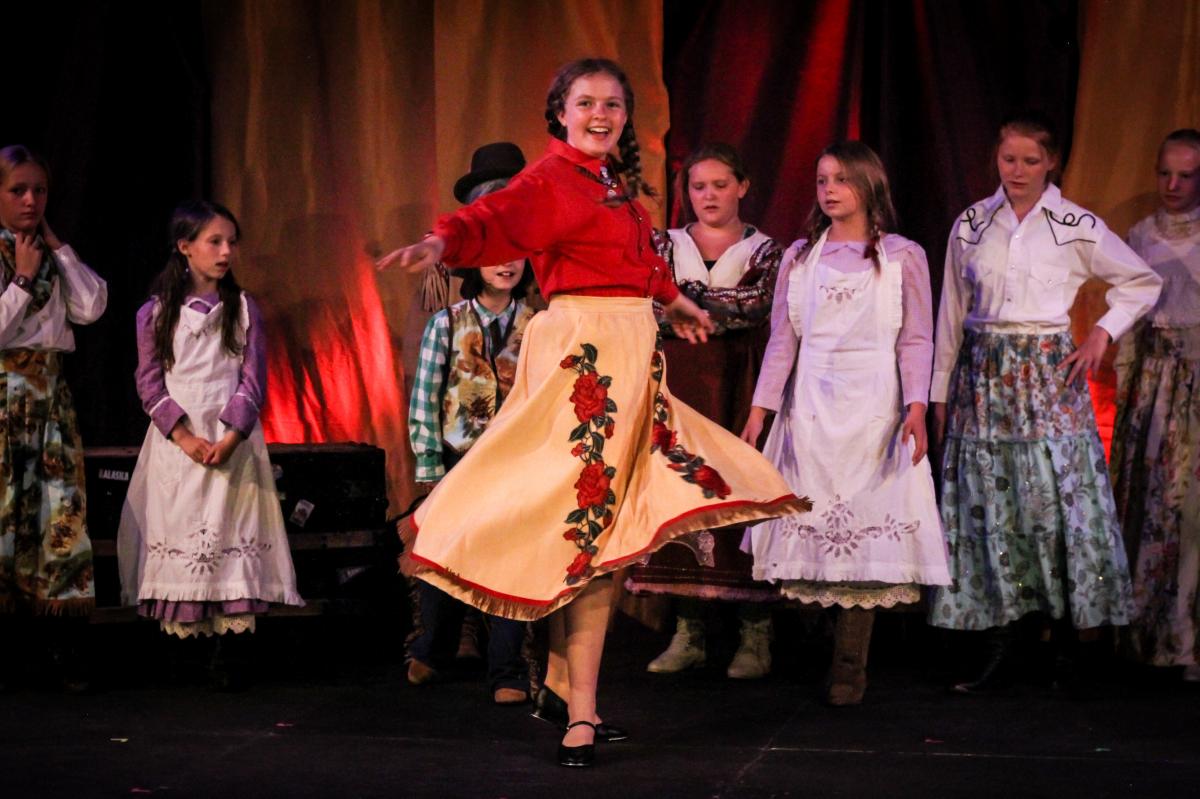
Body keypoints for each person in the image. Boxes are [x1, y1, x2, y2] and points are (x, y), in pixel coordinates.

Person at [377, 58, 806, 767]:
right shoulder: (550, 178)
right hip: (589, 358)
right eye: (585, 103)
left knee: (600, 531)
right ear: (560, 112)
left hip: (632, 355)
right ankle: (580, 711)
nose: (600, 115)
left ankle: (559, 686)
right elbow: (494, 217)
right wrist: (441, 242)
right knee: (591, 533)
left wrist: (674, 301)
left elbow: (638, 263)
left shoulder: (612, 186)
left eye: (612, 104)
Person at [928, 113, 1162, 693]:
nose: (1018, 170)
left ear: (1051, 162)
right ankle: (1002, 637)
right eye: (1009, 159)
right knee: (991, 503)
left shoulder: (1073, 224)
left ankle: (1064, 644)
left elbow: (1142, 282)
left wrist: (1102, 332)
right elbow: (951, 311)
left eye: (1031, 160)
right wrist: (938, 391)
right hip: (983, 374)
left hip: (1047, 373)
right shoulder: (973, 223)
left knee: (1052, 502)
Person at [739, 141, 950, 705]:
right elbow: (783, 341)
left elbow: (916, 338)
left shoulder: (902, 256)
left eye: (841, 179)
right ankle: (817, 643)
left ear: (868, 185)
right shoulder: (800, 258)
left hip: (874, 410)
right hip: (811, 408)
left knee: (868, 527)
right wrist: (760, 411)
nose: (829, 190)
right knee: (809, 528)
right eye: (822, 180)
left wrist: (916, 406)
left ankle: (850, 663)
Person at [117, 201, 303, 689]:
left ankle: (229, 654)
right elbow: (149, 384)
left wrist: (232, 435)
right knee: (181, 530)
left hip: (231, 441)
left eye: (231, 243)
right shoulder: (156, 314)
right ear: (185, 247)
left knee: (229, 531)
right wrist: (183, 436)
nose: (225, 252)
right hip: (179, 445)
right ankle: (184, 654)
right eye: (214, 242)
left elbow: (253, 380)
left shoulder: (242, 310)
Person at [625, 143, 785, 680]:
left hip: (738, 385)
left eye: (720, 185)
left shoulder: (766, 250)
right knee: (680, 497)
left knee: (741, 494)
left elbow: (758, 305)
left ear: (742, 186)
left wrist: (684, 301)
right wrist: (691, 305)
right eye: (698, 187)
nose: (709, 196)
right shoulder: (663, 244)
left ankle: (755, 631)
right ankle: (687, 630)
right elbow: (645, 301)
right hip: (678, 385)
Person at [405, 142, 536, 705]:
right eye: (493, 249)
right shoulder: (449, 323)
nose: (505, 262)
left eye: (515, 250)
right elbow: (426, 396)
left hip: (517, 465)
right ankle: (430, 650)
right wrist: (429, 463)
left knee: (511, 564)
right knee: (446, 558)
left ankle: (507, 671)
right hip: (459, 460)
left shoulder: (541, 324)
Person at [0, 144, 107, 693]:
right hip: (4, 400)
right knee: (6, 519)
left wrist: (59, 249)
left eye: (39, 190)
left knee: (58, 517)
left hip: (49, 403)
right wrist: (20, 281)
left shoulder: (52, 254)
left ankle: (59, 647)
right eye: (17, 190)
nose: (30, 200)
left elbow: (91, 307)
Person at [1110, 128, 1200, 679]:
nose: (1172, 184)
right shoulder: (1140, 235)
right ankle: (1145, 640)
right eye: (1165, 173)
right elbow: (1129, 316)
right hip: (1154, 383)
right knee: (1153, 504)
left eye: (1186, 175)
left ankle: (1186, 641)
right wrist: (1127, 385)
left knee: (1190, 511)